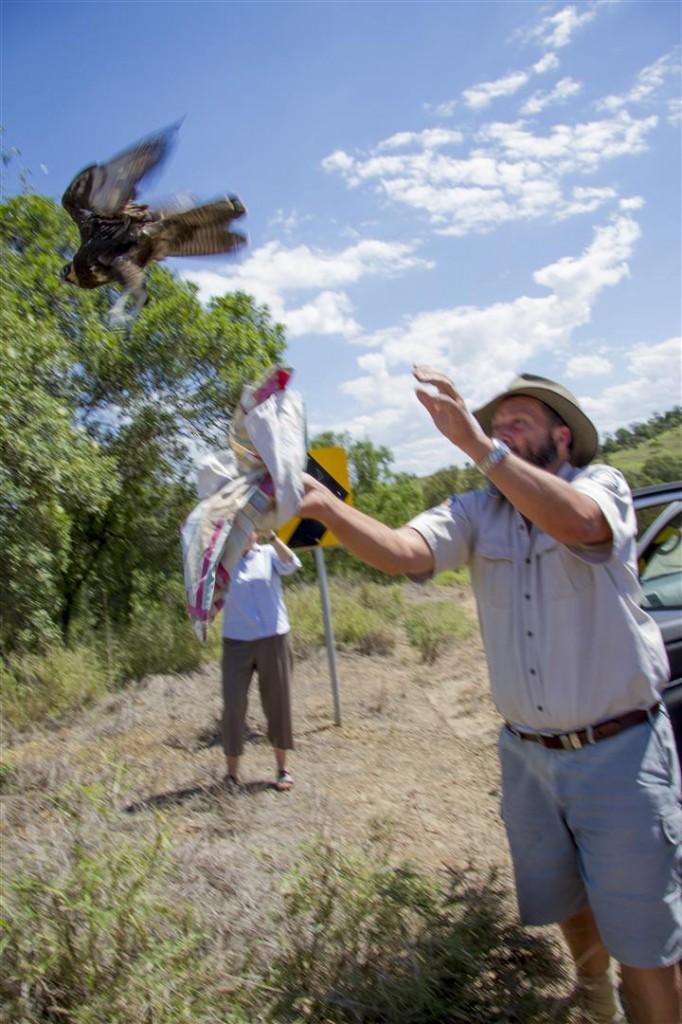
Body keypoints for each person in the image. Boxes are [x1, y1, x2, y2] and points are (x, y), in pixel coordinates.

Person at [298, 366, 681, 1024]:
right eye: (493, 421)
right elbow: (402, 553)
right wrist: (322, 506)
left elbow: (581, 524)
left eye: (517, 421)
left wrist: (479, 446)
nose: (500, 428)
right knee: (569, 903)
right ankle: (595, 1001)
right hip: (527, 759)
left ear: (562, 437)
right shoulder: (477, 511)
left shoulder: (600, 485)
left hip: (621, 755)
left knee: (647, 944)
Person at [221, 529, 302, 792]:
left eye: (251, 527)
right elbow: (202, 582)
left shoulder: (268, 554)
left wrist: (273, 538)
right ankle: (231, 774)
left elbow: (292, 564)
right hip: (236, 641)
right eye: (239, 528)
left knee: (278, 703)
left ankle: (282, 769)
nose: (246, 533)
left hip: (274, 637)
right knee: (233, 705)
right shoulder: (222, 560)